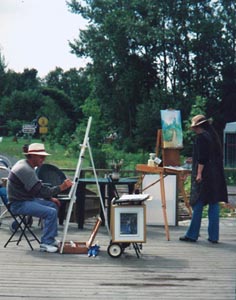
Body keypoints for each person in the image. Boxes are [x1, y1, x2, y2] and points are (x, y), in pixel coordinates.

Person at [7, 143, 73, 253]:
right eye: (41, 156)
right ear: (32, 156)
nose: (43, 158)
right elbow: (41, 191)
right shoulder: (26, 169)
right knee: (51, 212)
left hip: (26, 199)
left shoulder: (26, 165)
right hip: (18, 204)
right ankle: (46, 243)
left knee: (52, 205)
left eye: (44, 156)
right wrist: (62, 187)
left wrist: (50, 198)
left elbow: (35, 190)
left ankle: (50, 239)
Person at [179, 114, 228, 244]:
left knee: (198, 203)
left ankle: (192, 234)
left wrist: (199, 173)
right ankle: (213, 236)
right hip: (215, 175)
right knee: (213, 203)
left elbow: (203, 158)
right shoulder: (212, 136)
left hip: (205, 176)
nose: (194, 129)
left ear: (198, 126)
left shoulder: (201, 138)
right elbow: (209, 155)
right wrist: (193, 159)